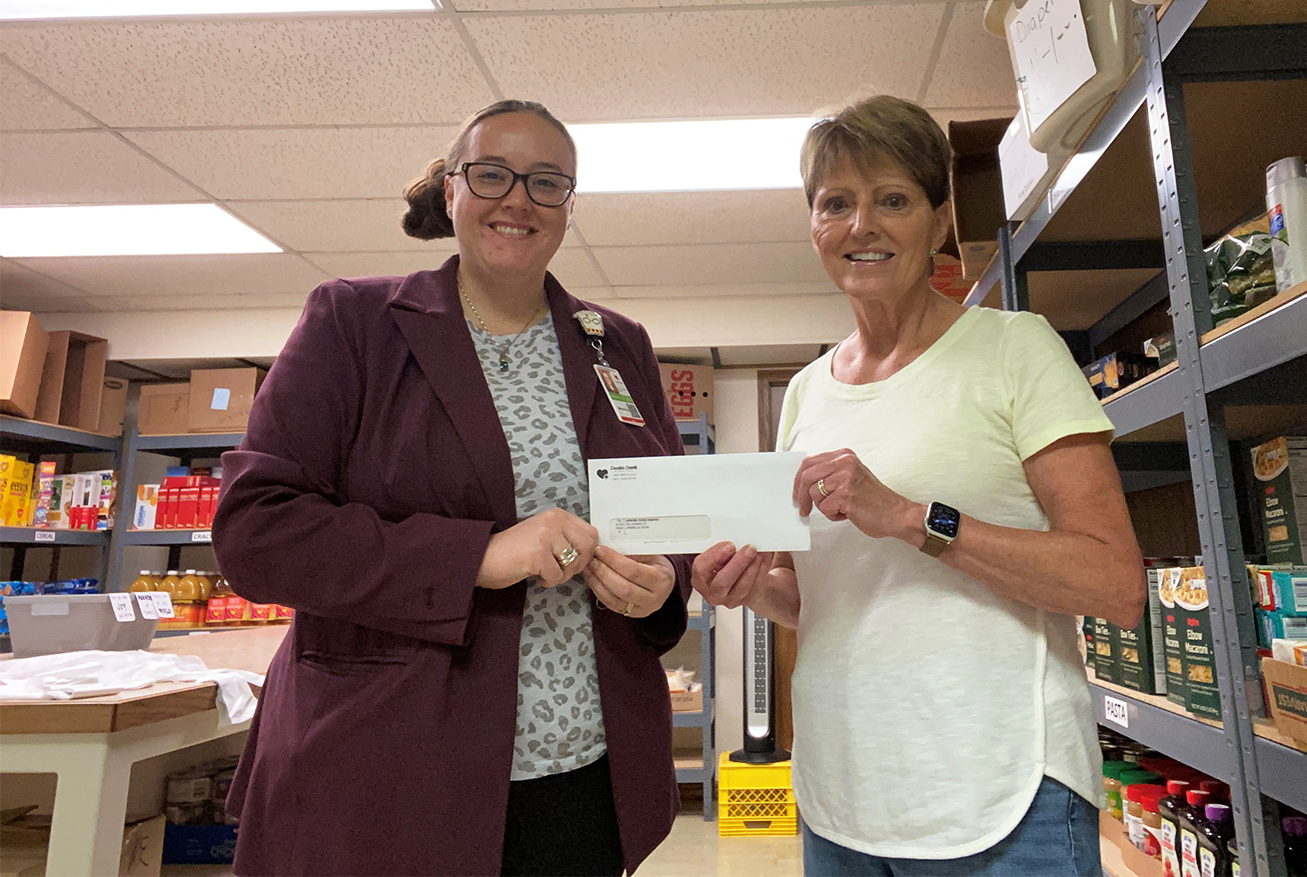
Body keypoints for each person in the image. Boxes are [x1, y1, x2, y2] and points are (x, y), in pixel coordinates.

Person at [214, 100, 691, 877]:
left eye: (547, 182)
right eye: (492, 174)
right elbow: (256, 530)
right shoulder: (356, 322)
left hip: (584, 775)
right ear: (450, 191)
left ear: (569, 206)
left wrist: (663, 581)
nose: (518, 200)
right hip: (391, 768)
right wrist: (477, 555)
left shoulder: (615, 343)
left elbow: (668, 513)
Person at [693, 95, 1146, 877]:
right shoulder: (806, 393)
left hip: (1001, 792)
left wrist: (911, 517)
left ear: (939, 222)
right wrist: (751, 589)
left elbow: (1114, 585)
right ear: (813, 227)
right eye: (836, 203)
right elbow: (829, 603)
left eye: (891, 200)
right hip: (843, 792)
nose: (860, 225)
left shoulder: (1014, 349)